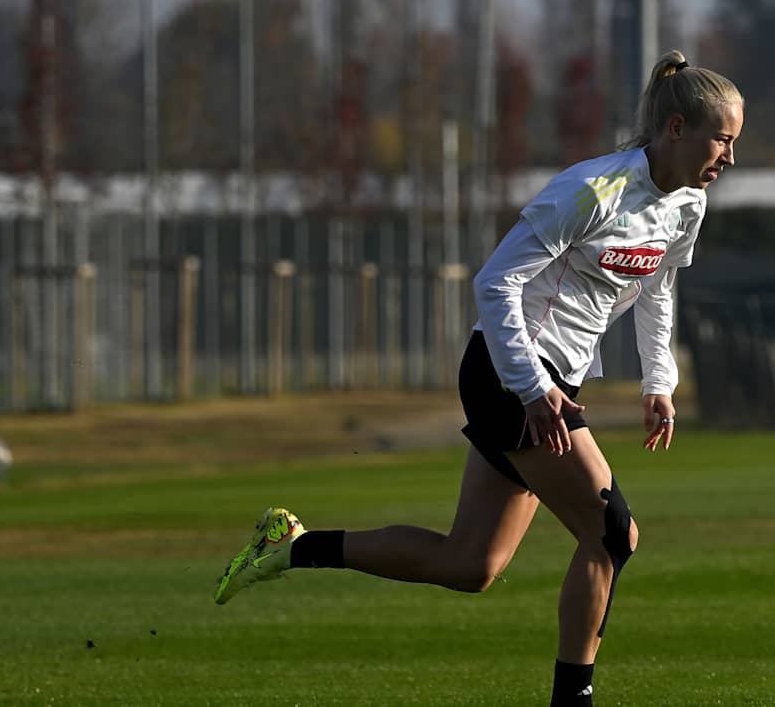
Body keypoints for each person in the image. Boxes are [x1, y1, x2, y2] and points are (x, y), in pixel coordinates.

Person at [213, 49, 743, 707]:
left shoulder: (686, 205)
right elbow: (495, 283)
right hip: (508, 372)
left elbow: (660, 285)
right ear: (675, 129)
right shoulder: (591, 191)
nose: (728, 156)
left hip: (549, 387)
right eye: (722, 138)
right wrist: (531, 387)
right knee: (611, 533)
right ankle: (571, 700)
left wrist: (656, 380)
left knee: (470, 565)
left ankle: (291, 546)